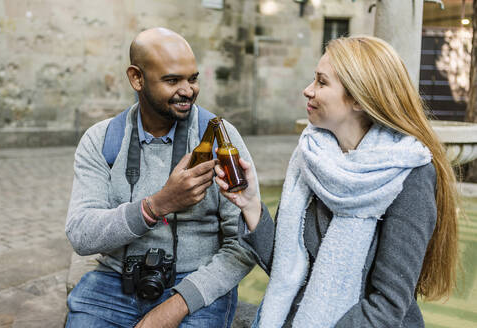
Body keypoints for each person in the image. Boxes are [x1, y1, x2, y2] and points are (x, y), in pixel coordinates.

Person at [215, 36, 459, 328]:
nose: (308, 90)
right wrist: (251, 204)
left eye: (321, 82)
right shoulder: (312, 156)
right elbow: (286, 268)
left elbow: (387, 305)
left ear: (358, 98)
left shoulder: (409, 173)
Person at [65, 27, 257, 328]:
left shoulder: (223, 138)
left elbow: (245, 243)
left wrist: (178, 304)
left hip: (196, 284)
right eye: (172, 80)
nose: (188, 90)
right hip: (114, 281)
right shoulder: (100, 139)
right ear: (136, 78)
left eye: (192, 78)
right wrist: (157, 206)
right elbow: (81, 234)